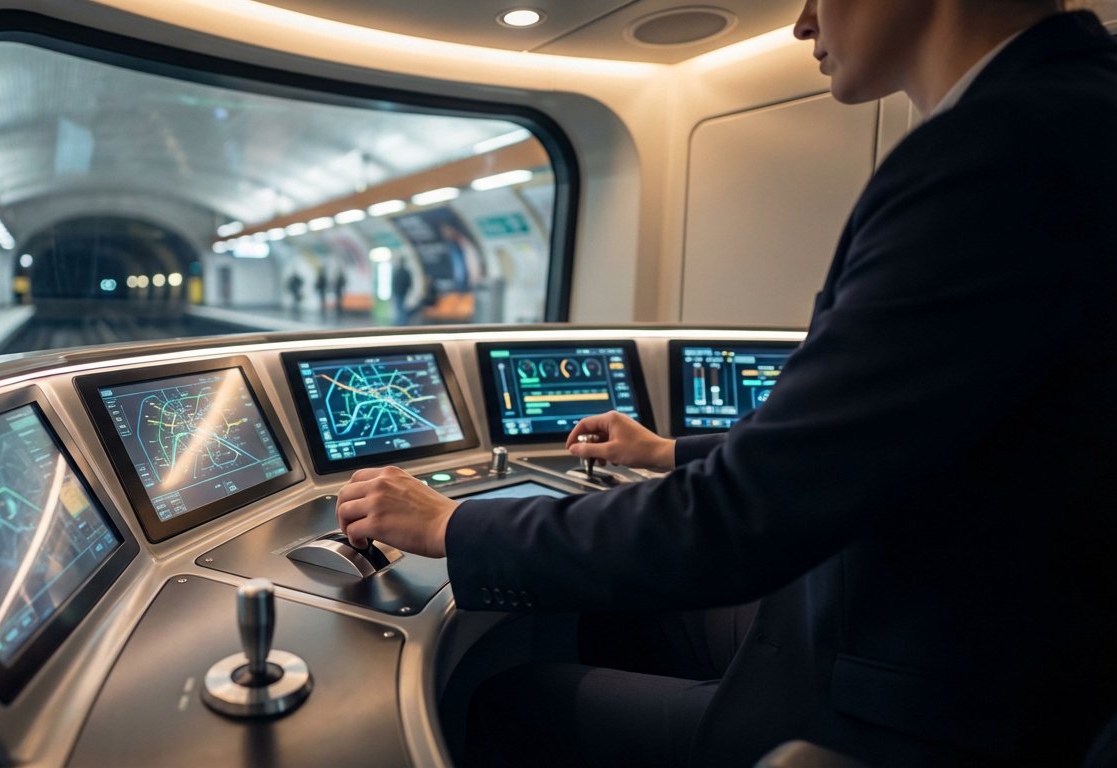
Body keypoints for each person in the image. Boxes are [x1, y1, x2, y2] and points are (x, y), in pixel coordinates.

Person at [335, 2, 1117, 766]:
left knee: (506, 700)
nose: (804, 22)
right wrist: (673, 450)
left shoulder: (998, 152)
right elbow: (869, 441)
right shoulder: (1073, 107)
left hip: (919, 697)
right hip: (928, 619)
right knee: (612, 620)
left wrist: (451, 528)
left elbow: (742, 520)